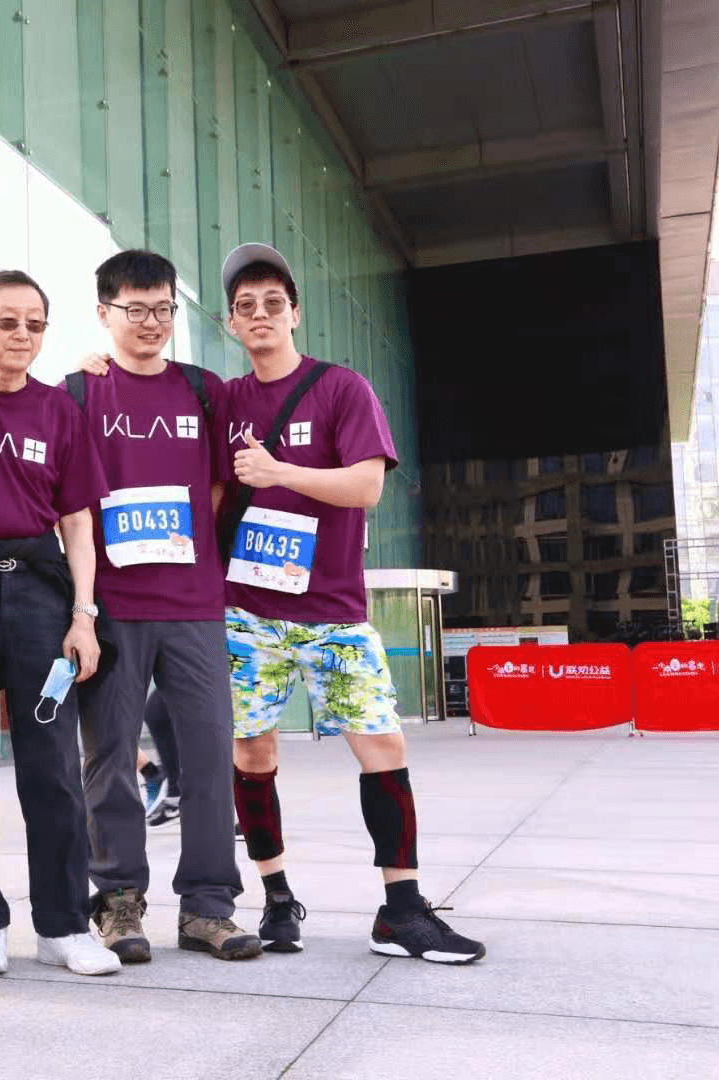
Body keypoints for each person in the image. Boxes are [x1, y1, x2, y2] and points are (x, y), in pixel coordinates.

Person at [186, 242, 484, 963]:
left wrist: (280, 469)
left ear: (296, 313)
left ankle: (402, 910)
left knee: (382, 746)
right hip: (246, 611)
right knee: (252, 754)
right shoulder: (223, 399)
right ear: (230, 323)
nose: (260, 315)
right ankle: (278, 898)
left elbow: (367, 487)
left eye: (273, 303)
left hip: (333, 614)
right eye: (245, 306)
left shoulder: (340, 388)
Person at [0, 269, 120, 978]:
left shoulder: (60, 410)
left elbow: (76, 520)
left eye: (35, 324)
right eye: (7, 321)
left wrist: (84, 616)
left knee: (54, 768)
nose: (22, 335)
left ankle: (65, 925)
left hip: (40, 597)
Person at [67, 249, 260, 964]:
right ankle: (119, 903)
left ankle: (208, 907)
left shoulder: (203, 390)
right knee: (109, 758)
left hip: (193, 605)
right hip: (114, 608)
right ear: (104, 314)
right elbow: (73, 505)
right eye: (134, 309)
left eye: (162, 309)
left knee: (209, 755)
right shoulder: (79, 394)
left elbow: (215, 490)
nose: (150, 323)